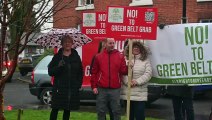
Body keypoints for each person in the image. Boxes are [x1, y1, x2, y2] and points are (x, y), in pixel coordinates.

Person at [91, 38, 128, 120]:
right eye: (110, 43)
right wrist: (94, 86)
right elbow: (94, 72)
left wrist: (129, 66)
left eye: (113, 43)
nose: (112, 45)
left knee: (116, 110)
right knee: (101, 110)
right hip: (101, 89)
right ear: (105, 44)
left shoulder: (120, 56)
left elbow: (124, 71)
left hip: (115, 89)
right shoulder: (98, 57)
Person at [48, 35, 83, 120]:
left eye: (69, 42)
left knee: (67, 109)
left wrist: (78, 84)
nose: (67, 44)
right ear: (62, 44)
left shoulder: (76, 56)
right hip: (59, 88)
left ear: (72, 44)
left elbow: (80, 71)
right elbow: (50, 72)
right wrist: (58, 66)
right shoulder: (57, 57)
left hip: (71, 88)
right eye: (65, 42)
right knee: (55, 109)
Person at [120, 41, 152, 120]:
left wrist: (137, 81)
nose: (136, 48)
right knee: (129, 116)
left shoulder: (145, 60)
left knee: (140, 116)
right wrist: (128, 82)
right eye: (134, 47)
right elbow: (121, 72)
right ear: (130, 48)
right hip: (128, 93)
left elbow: (148, 73)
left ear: (141, 49)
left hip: (140, 94)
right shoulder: (125, 59)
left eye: (138, 47)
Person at [90, 39, 114, 120]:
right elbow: (92, 72)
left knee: (112, 109)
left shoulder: (113, 56)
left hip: (112, 88)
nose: (105, 46)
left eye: (106, 44)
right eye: (103, 45)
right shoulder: (96, 57)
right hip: (100, 87)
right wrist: (94, 86)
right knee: (101, 110)